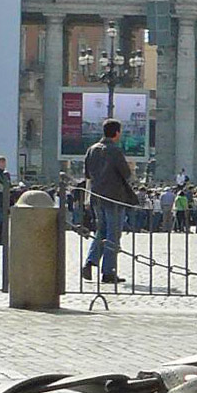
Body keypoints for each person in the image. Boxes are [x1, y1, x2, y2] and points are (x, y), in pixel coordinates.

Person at [81, 116, 140, 285]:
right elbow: (126, 174)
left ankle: (90, 262)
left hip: (97, 197)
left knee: (101, 231)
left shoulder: (91, 149)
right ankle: (108, 272)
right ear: (116, 133)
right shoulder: (114, 150)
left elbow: (87, 174)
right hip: (114, 198)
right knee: (113, 234)